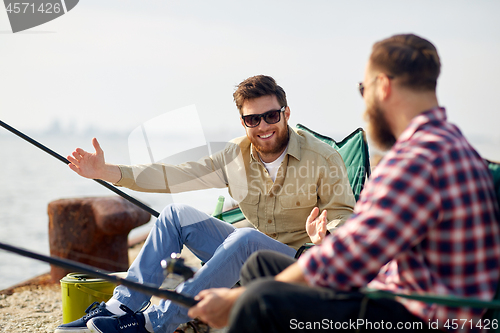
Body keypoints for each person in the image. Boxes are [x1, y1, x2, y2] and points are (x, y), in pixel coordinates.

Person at [188, 34, 500, 333]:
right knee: (261, 265)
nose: (365, 104)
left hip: (415, 317)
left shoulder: (417, 159)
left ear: (384, 87)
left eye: (363, 88)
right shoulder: (451, 145)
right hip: (415, 300)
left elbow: (350, 256)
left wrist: (237, 298)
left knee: (260, 301)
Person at [55, 75, 356, 333]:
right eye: (253, 119)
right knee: (176, 214)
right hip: (247, 265)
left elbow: (344, 215)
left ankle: (154, 323)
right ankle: (121, 308)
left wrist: (326, 236)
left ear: (286, 113)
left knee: (245, 238)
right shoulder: (233, 155)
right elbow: (176, 174)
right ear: (243, 122)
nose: (263, 125)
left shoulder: (323, 158)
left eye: (271, 116)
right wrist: (108, 172)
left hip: (299, 268)